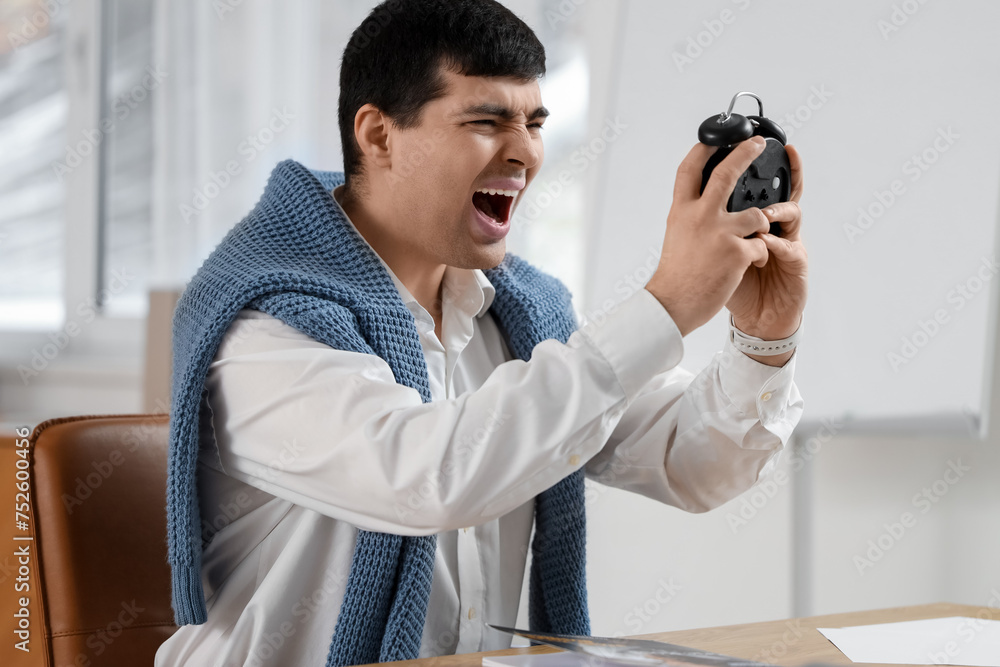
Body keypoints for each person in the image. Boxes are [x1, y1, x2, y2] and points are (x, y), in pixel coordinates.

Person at [156, 0, 807, 665]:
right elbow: (428, 476)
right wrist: (665, 305)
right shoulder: (261, 320)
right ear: (378, 136)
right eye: (486, 121)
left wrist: (763, 341)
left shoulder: (522, 309)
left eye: (534, 122)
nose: (524, 150)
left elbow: (692, 466)